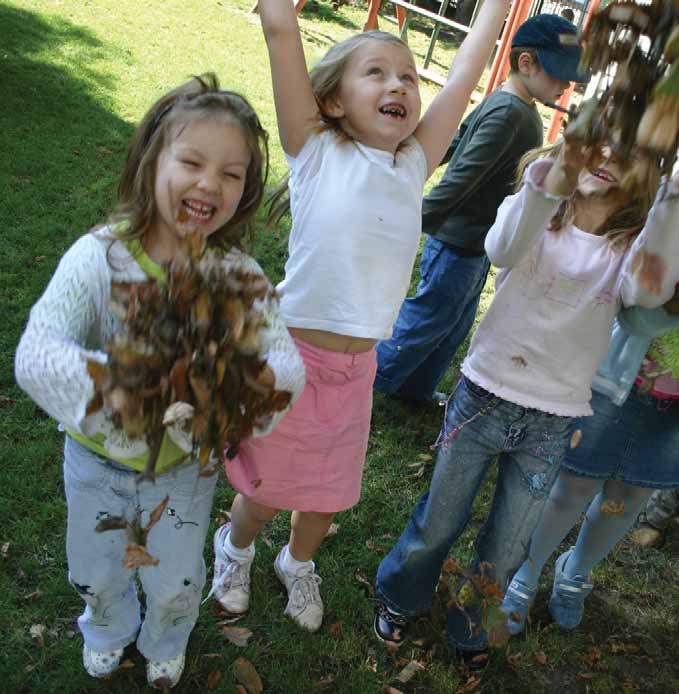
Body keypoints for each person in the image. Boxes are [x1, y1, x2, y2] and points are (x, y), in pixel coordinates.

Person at [208, 0, 512, 633]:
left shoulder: (413, 163)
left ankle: (297, 563)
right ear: (337, 101)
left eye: (407, 75)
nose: (399, 83)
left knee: (327, 493)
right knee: (264, 487)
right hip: (291, 360)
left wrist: (497, 9)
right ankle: (234, 550)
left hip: (356, 371)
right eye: (376, 72)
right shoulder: (315, 148)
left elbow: (465, 72)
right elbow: (280, 27)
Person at [14, 74, 305, 689]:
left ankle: (166, 636)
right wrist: (124, 387)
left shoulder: (239, 276)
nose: (210, 183)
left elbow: (286, 366)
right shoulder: (99, 258)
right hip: (95, 464)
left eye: (232, 173)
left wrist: (227, 391)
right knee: (98, 568)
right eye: (192, 162)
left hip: (184, 472)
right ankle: (107, 628)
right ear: (152, 163)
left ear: (246, 190)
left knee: (175, 577)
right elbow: (36, 352)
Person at [374, 138, 679, 659]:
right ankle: (402, 596)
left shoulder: (630, 247)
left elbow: (648, 295)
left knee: (510, 543)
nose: (606, 158)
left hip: (553, 420)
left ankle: (471, 626)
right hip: (483, 397)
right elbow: (501, 249)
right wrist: (549, 182)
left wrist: (672, 200)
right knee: (439, 520)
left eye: (624, 153)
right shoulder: (535, 206)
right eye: (597, 144)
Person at [374, 14, 587, 406]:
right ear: (526, 63)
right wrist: (406, 219)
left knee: (452, 326)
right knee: (427, 320)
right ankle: (375, 381)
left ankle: (415, 388)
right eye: (558, 74)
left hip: (476, 245)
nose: (564, 85)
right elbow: (462, 175)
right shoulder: (510, 113)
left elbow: (452, 144)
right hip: (457, 243)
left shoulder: (509, 104)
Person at [502, 292, 679, 633]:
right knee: (573, 485)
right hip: (619, 375)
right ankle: (525, 572)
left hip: (672, 410)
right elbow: (638, 313)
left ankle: (575, 571)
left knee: (627, 499)